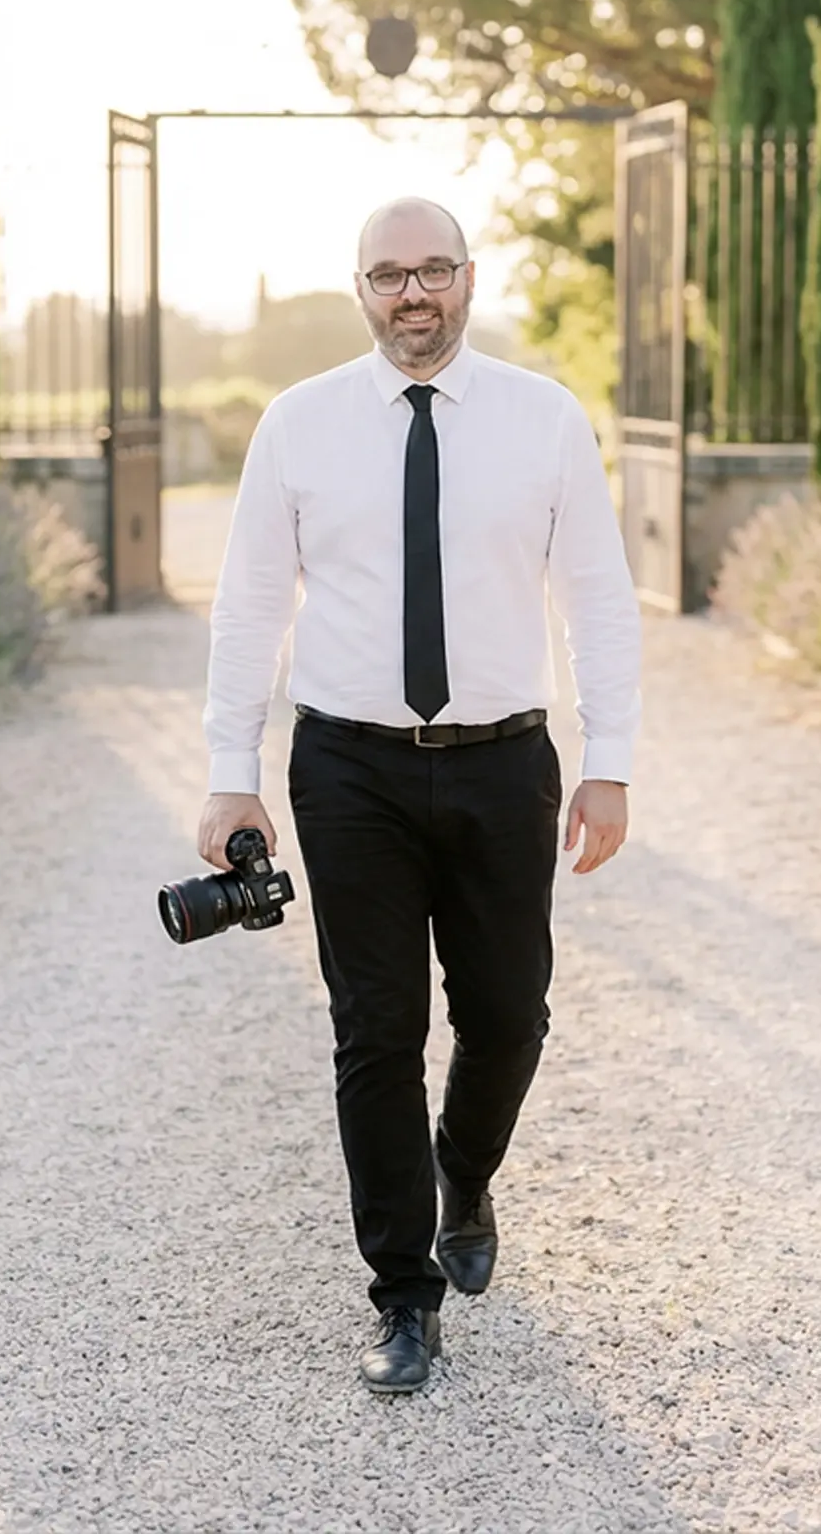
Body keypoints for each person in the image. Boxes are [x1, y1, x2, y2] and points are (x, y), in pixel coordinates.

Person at [197, 196, 641, 1393]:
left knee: (510, 1013)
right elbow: (249, 607)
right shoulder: (298, 424)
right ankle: (402, 1292)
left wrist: (609, 759)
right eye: (389, 273)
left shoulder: (546, 420)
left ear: (469, 278)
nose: (413, 293)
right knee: (376, 1029)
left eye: (434, 268)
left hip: (504, 761)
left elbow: (598, 597)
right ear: (361, 289)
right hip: (351, 767)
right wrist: (232, 776)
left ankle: (466, 1170)